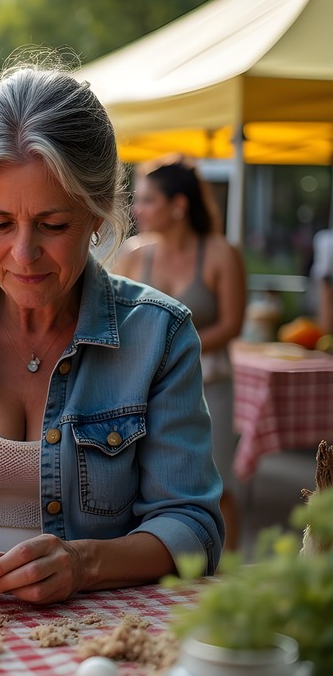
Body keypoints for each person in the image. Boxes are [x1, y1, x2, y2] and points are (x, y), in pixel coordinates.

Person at [0, 59, 224, 605]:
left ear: (98, 215)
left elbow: (192, 524)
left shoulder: (158, 336)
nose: (22, 255)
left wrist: (86, 563)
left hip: (100, 643)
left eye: (53, 225)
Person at [113, 155, 246, 552]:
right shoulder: (135, 254)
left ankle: (230, 577)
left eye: (148, 200)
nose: (137, 209)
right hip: (144, 388)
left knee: (217, 485)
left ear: (179, 205)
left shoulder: (222, 253)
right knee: (148, 488)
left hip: (211, 385)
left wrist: (169, 348)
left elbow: (232, 325)